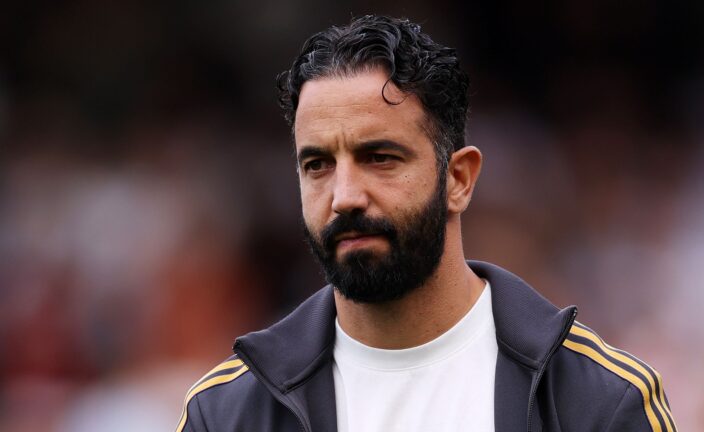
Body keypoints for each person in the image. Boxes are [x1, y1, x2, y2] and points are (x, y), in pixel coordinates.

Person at [175, 15, 676, 432]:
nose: (345, 197)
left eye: (379, 157)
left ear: (459, 179)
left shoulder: (599, 402)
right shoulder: (224, 414)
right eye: (318, 165)